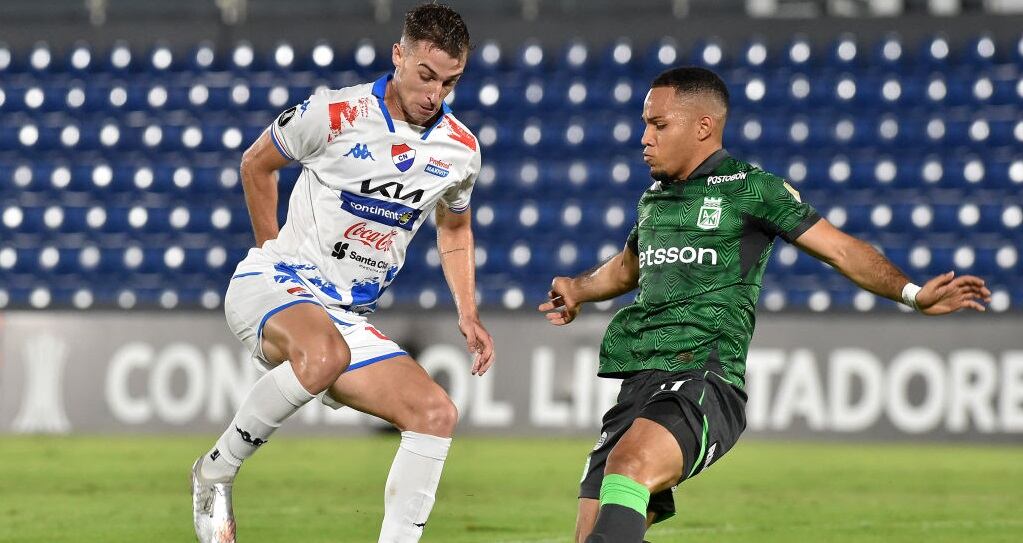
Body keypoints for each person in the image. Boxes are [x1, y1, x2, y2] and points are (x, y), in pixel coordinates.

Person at [538, 66, 991, 543]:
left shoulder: (751, 188)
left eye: (659, 124)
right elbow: (630, 267)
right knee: (595, 532)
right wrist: (579, 287)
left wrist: (912, 293)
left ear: (703, 127)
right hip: (639, 381)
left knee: (629, 465)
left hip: (704, 378)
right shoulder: (655, 198)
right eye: (646, 123)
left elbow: (841, 249)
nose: (644, 137)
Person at [191, 4, 494, 542]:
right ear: (398, 55)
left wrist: (467, 311)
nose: (435, 94)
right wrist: (270, 250)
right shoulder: (334, 113)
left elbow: (454, 229)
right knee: (324, 353)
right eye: (426, 76)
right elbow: (256, 164)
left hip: (347, 316)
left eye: (450, 82)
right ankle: (216, 471)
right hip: (274, 282)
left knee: (435, 413)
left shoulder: (461, 150)